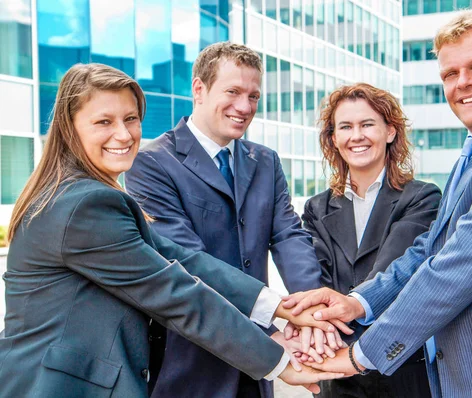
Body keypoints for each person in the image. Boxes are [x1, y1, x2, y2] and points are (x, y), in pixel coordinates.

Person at [283, 9, 472, 398]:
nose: (464, 83)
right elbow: (430, 251)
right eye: (451, 74)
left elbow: (456, 268)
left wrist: (360, 354)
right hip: (470, 378)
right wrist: (357, 303)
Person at [0, 63, 344, 397]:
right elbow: (175, 293)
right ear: (69, 127)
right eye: (104, 121)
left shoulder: (86, 195)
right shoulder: (85, 205)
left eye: (131, 119)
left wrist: (285, 308)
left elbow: (182, 261)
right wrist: (279, 361)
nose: (124, 134)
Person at [124, 42, 339, 398]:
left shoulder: (265, 161)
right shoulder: (151, 164)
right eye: (233, 92)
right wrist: (272, 331)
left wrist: (313, 308)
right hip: (193, 362)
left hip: (255, 380)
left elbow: (287, 234)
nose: (245, 107)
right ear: (199, 89)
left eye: (253, 96)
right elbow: (186, 259)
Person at [302, 83, 441, 397]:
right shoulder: (316, 208)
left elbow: (392, 275)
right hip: (337, 375)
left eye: (367, 124)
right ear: (334, 138)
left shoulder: (421, 198)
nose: (357, 136)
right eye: (346, 127)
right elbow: (316, 284)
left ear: (390, 132)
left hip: (401, 368)